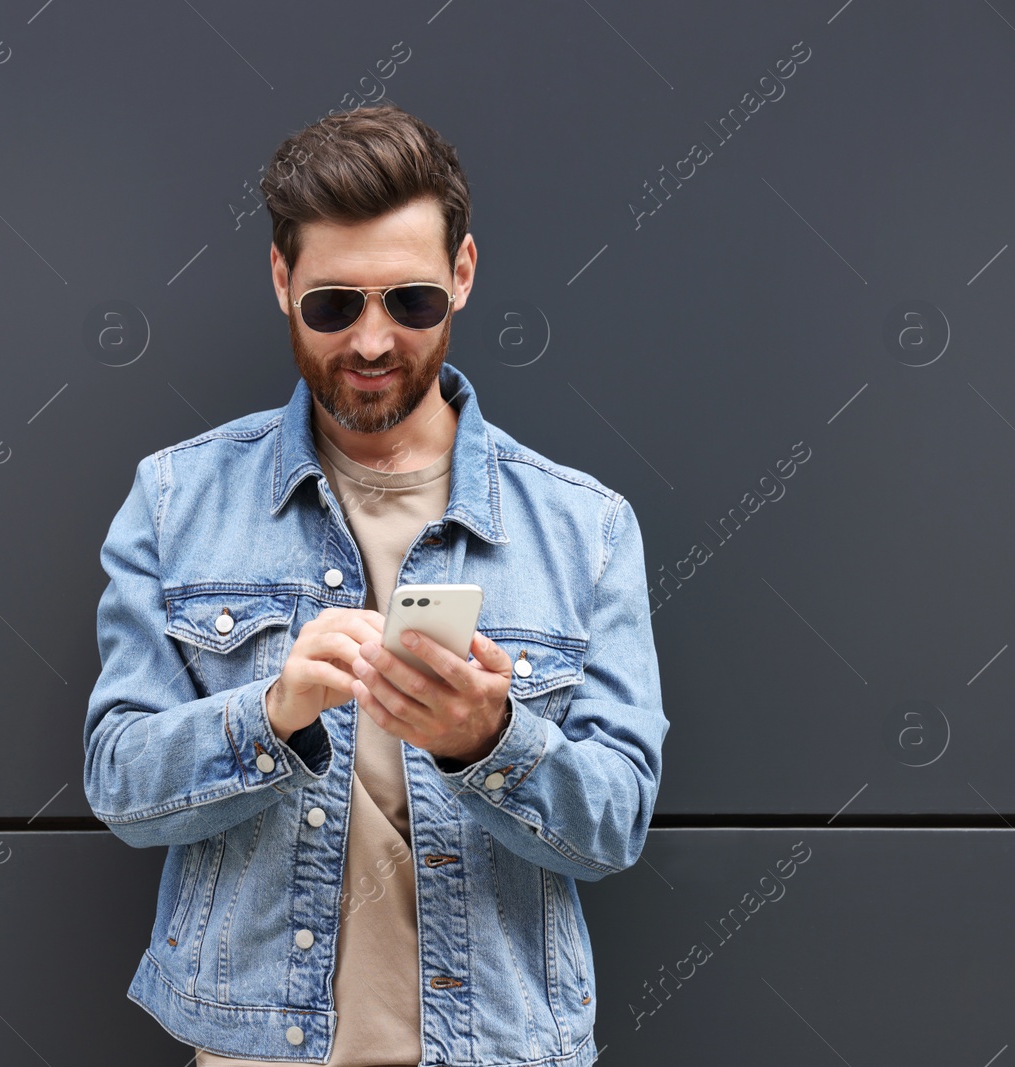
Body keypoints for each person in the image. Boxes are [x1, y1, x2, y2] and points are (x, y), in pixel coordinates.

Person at [84, 102, 668, 1067]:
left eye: (411, 302)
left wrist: (490, 740)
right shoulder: (173, 500)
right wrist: (270, 715)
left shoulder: (586, 527)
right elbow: (119, 781)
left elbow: (615, 825)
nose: (370, 340)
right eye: (333, 303)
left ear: (464, 276)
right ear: (281, 281)